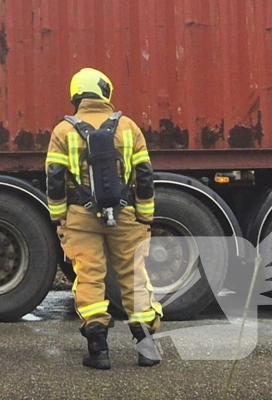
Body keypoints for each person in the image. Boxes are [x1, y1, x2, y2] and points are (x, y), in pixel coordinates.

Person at [45, 67, 162, 369]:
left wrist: (60, 218)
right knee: (134, 276)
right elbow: (145, 175)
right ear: (105, 91)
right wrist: (145, 215)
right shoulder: (128, 128)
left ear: (76, 95)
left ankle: (98, 351)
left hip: (81, 217)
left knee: (89, 277)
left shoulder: (63, 131)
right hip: (126, 216)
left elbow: (55, 179)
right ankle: (147, 347)